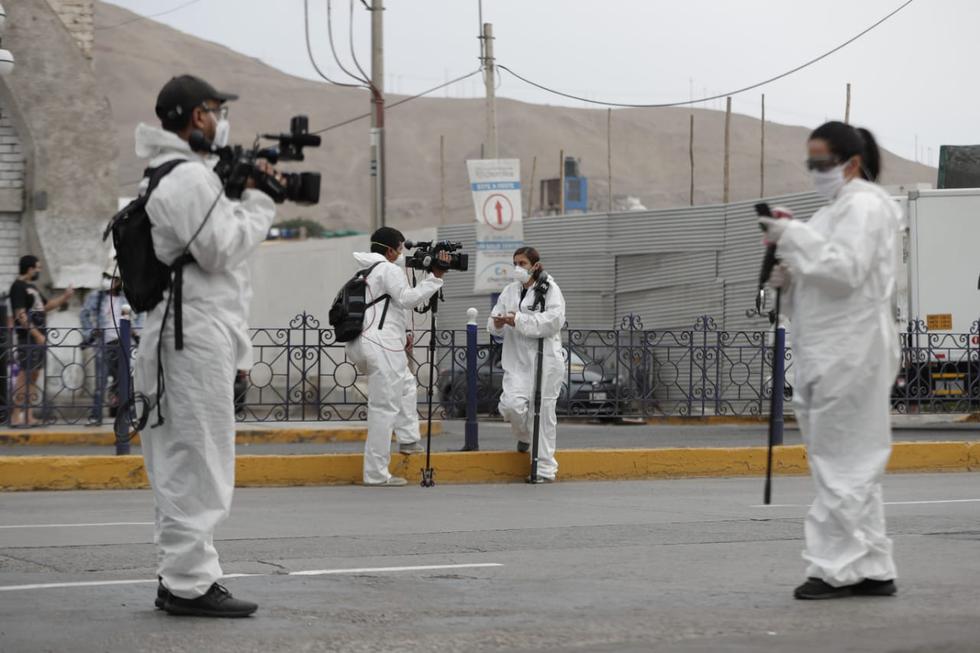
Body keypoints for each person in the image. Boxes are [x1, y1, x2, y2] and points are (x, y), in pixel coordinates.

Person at [132, 74, 278, 617]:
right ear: (198, 116)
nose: (220, 122)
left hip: (184, 330)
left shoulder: (174, 174)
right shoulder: (187, 178)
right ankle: (189, 585)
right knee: (199, 461)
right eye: (216, 111)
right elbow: (220, 249)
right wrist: (261, 202)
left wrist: (234, 189)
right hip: (191, 333)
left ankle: (182, 577)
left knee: (184, 460)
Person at [760, 121, 903, 600]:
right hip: (829, 349)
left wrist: (793, 236)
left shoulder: (864, 206)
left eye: (822, 162)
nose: (815, 171)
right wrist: (788, 278)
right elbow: (821, 274)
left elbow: (846, 269)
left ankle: (834, 569)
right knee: (851, 461)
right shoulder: (831, 212)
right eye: (811, 163)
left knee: (843, 463)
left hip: (852, 350)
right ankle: (874, 566)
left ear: (851, 162)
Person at [346, 227, 447, 487]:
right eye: (401, 248)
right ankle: (376, 474)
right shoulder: (387, 269)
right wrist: (435, 278)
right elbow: (406, 299)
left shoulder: (366, 270)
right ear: (390, 250)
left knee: (406, 384)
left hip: (365, 343)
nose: (402, 253)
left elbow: (386, 308)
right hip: (382, 345)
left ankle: (409, 438)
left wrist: (404, 334)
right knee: (383, 409)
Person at [487, 247, 566, 483]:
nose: (517, 268)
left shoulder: (549, 289)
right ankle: (524, 436)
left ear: (535, 266)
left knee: (543, 415)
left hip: (546, 362)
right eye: (515, 263)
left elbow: (553, 321)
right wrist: (498, 324)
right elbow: (494, 319)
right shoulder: (509, 291)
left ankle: (544, 469)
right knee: (510, 406)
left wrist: (518, 320)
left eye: (522, 263)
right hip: (517, 362)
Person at [8, 255, 74, 427]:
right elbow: (20, 315)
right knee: (24, 375)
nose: (39, 270)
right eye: (37, 267)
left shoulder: (32, 287)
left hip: (38, 339)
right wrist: (37, 334)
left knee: (33, 376)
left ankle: (28, 416)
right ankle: (15, 416)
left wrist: (64, 297)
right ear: (29, 269)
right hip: (28, 338)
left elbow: (45, 306)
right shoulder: (18, 287)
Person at [80, 263, 144, 426]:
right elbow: (84, 313)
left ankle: (129, 414)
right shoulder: (97, 297)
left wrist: (136, 331)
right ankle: (96, 416)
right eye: (107, 277)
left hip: (124, 343)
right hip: (104, 343)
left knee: (127, 379)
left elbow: (140, 313)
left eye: (113, 278)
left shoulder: (128, 296)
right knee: (101, 380)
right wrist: (90, 332)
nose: (109, 281)